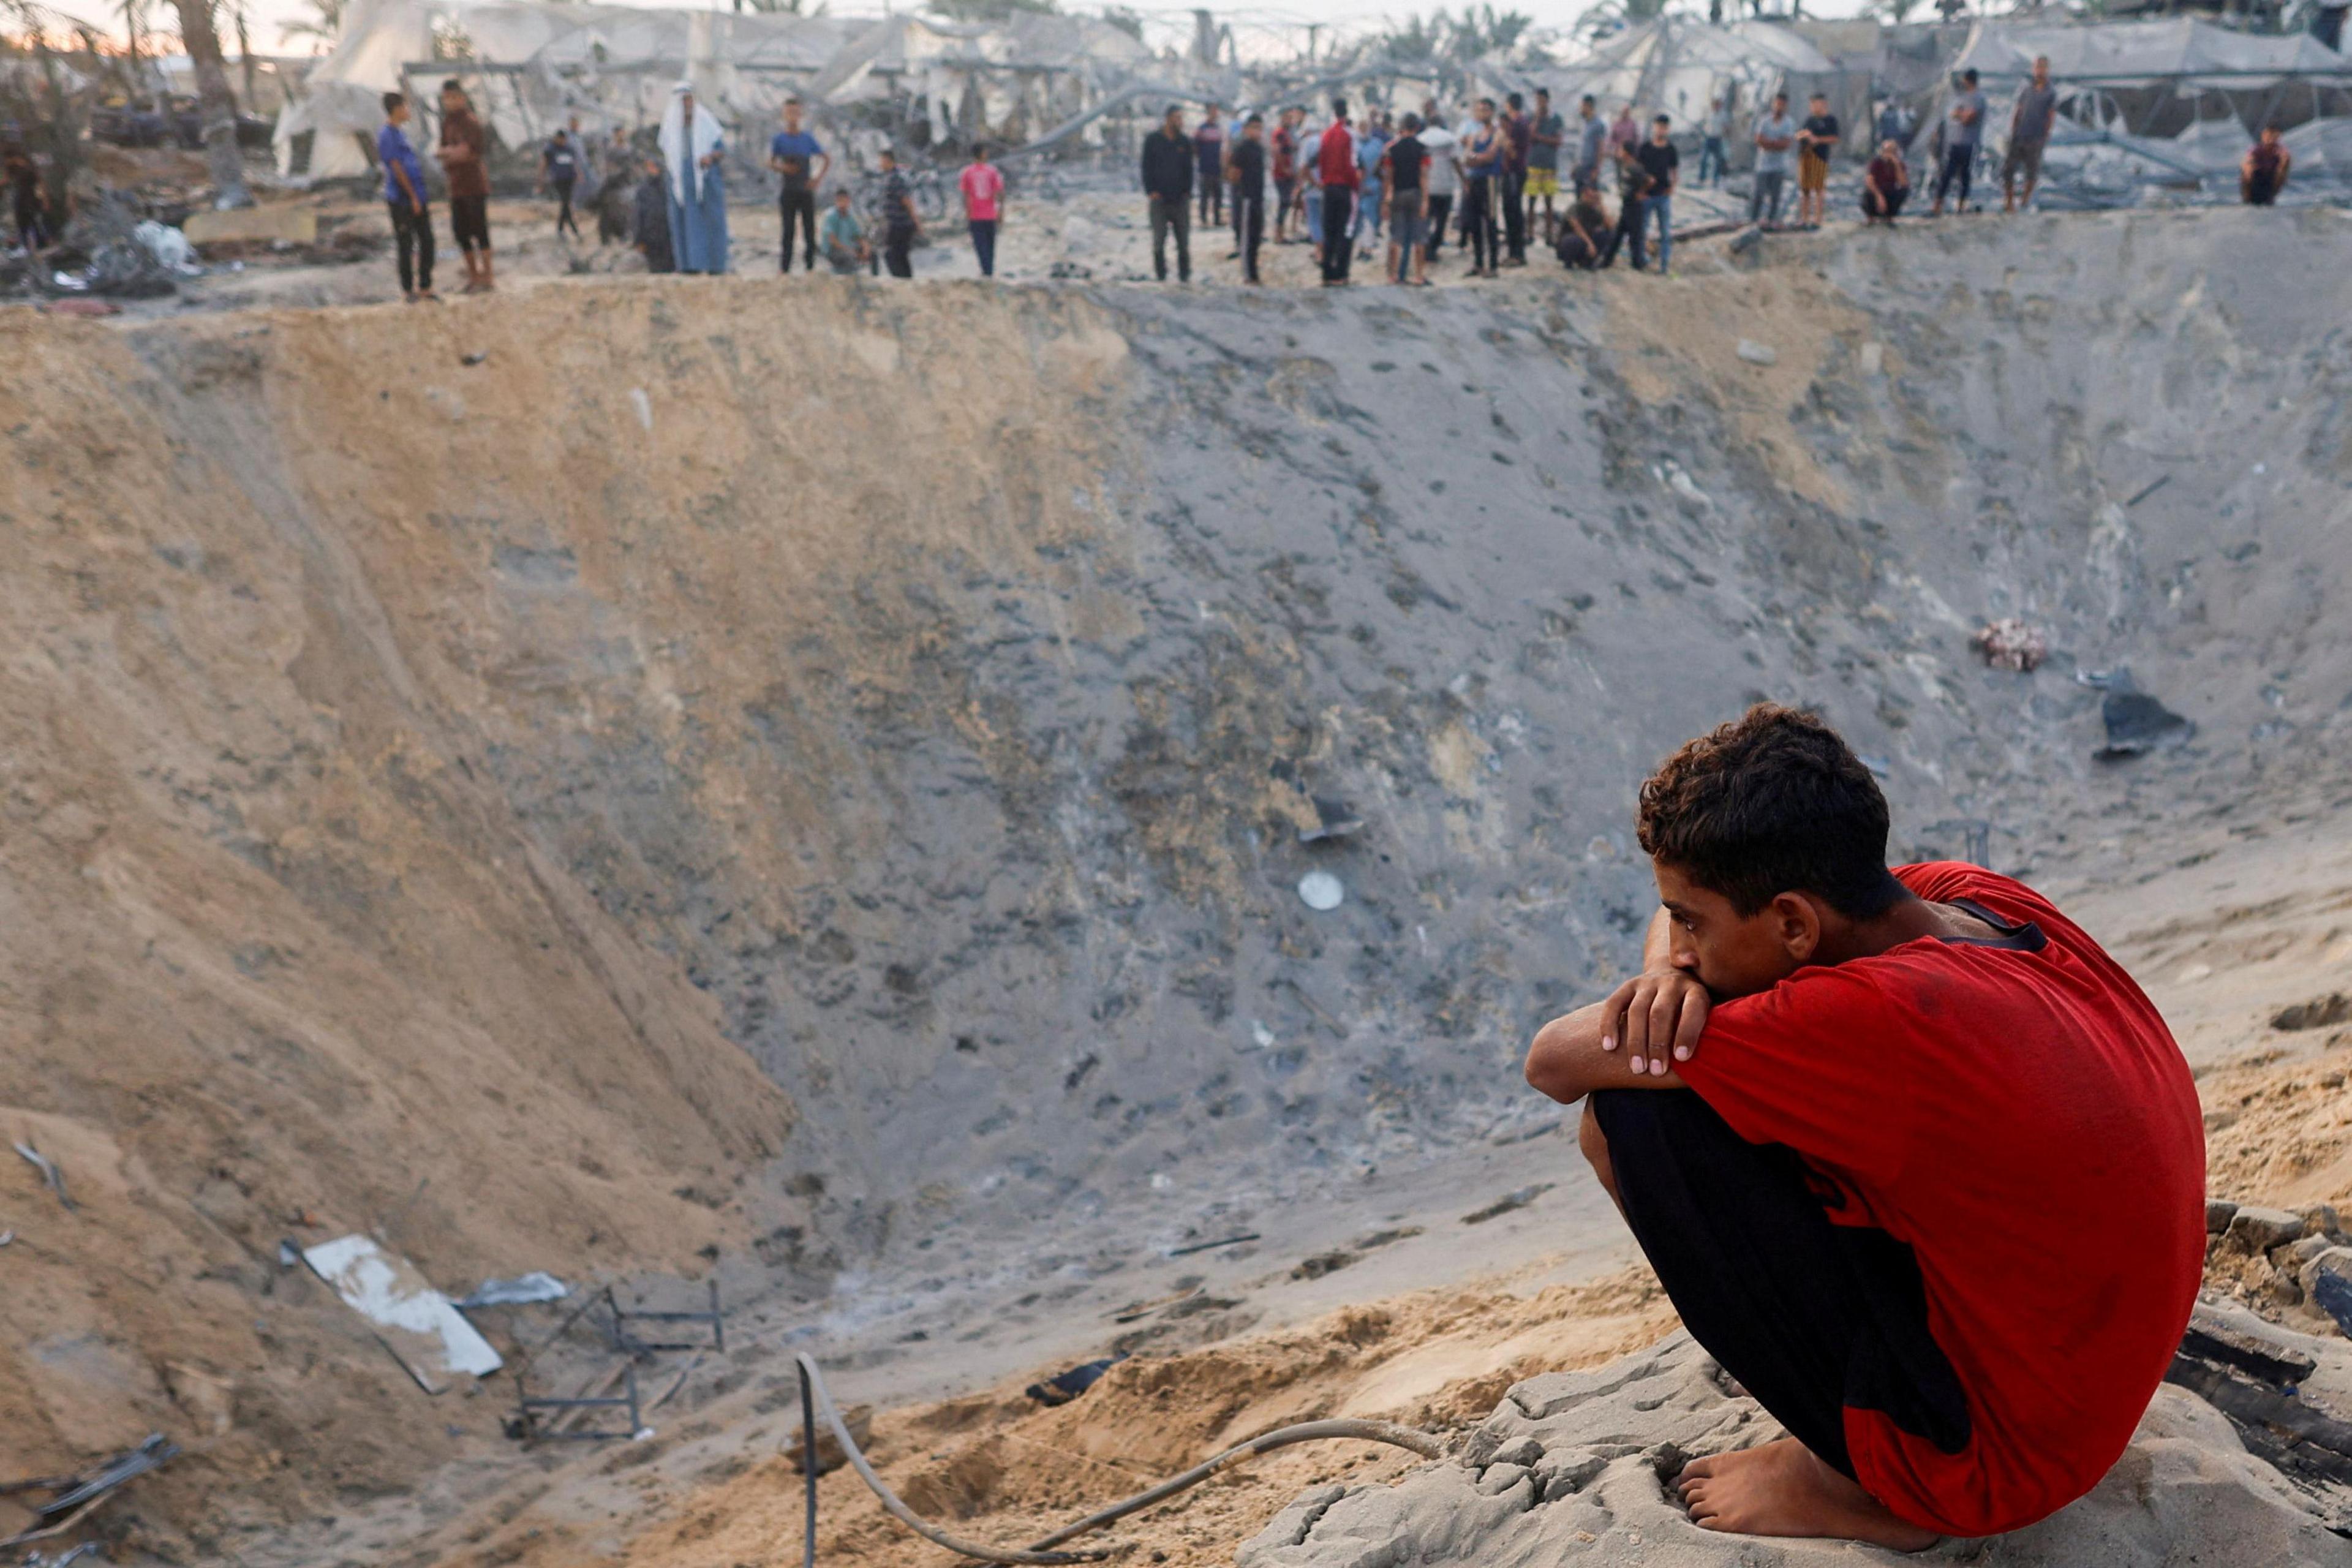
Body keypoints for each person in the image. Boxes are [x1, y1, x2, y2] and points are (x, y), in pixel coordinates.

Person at [1523, 704, 2202, 1551]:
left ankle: (1866, 1488)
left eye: (1695, 924)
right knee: (1691, 1066)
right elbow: (1689, 929)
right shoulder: (1971, 899)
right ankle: (1870, 1422)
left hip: (1993, 1464)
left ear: (1796, 924)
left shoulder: (1871, 1016)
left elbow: (1553, 1062)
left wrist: (1668, 992)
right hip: (2080, 1392)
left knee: (1634, 1111)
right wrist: (1673, 969)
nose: (1682, 944)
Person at [659, 83, 729, 274]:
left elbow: (721, 148)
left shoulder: (705, 120)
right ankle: (689, 265)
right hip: (681, 179)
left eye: (690, 99)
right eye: (684, 100)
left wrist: (710, 157)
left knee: (712, 220)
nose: (688, 104)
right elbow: (668, 152)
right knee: (684, 222)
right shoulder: (671, 125)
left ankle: (717, 265)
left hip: (705, 176)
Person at [377, 91, 435, 301]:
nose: (408, 111)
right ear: (397, 109)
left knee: (427, 240)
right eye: (405, 107)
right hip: (402, 199)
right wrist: (412, 197)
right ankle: (408, 290)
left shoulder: (401, 133)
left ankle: (425, 286)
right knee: (406, 244)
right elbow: (396, 168)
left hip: (416, 195)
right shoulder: (387, 135)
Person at [438, 78, 493, 292]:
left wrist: (451, 153)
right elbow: (443, 151)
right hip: (456, 186)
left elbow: (466, 152)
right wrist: (452, 153)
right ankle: (473, 275)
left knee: (480, 231)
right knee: (461, 233)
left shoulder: (470, 122)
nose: (449, 102)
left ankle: (488, 275)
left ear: (461, 97)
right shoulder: (447, 124)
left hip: (474, 185)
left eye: (453, 97)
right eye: (446, 99)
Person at [769, 97, 827, 273]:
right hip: (788, 189)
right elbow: (771, 163)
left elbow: (825, 158)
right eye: (789, 113)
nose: (792, 116)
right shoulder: (780, 139)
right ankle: (785, 268)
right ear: (784, 115)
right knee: (788, 230)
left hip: (805, 190)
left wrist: (817, 179)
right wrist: (784, 167)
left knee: (809, 230)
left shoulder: (807, 138)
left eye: (795, 112)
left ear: (800, 114)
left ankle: (810, 266)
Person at [1141, 104, 1194, 283]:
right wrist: (1151, 191)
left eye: (1182, 118)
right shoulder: (1153, 140)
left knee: (1183, 242)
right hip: (1160, 200)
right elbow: (1146, 167)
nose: (1180, 121)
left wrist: (1188, 191)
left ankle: (1184, 276)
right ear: (1169, 118)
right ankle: (1161, 276)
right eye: (1177, 118)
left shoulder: (1184, 142)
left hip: (1180, 200)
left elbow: (1189, 169)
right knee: (1159, 240)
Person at [2002, 56, 2056, 213]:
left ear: (2047, 69)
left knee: (2031, 171)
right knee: (2009, 169)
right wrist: (2014, 128)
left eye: (2042, 67)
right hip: (2020, 134)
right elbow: (2019, 110)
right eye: (2037, 67)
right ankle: (2009, 201)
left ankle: (2025, 200)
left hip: (2036, 137)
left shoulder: (2050, 92)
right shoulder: (2026, 89)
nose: (2039, 71)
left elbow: (2051, 115)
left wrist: (2045, 135)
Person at [1382, 113, 1430, 284]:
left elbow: (1388, 178)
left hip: (1397, 194)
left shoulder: (1391, 149)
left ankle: (1392, 274)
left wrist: (1386, 200)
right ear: (1417, 128)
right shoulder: (1423, 148)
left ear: (1401, 128)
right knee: (1419, 237)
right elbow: (1424, 176)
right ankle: (1418, 275)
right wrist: (1425, 201)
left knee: (1396, 237)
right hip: (1416, 193)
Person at [1316, 98, 1360, 285]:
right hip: (1345, 187)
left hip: (1329, 187)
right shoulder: (1349, 135)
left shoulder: (1326, 135)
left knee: (1329, 231)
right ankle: (1342, 273)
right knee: (1345, 232)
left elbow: (1321, 162)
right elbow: (1352, 165)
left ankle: (1327, 273)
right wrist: (1355, 186)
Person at [1932, 68, 1985, 216]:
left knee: (1965, 176)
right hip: (1955, 142)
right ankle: (1938, 205)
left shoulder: (1978, 98)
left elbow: (1968, 118)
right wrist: (1960, 114)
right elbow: (1954, 114)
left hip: (1969, 143)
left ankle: (1961, 206)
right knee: (1946, 174)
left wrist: (1960, 115)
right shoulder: (1963, 97)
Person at [1460, 97, 1502, 279]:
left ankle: (1492, 265)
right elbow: (1466, 159)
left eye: (1485, 110)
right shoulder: (1476, 135)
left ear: (1492, 112)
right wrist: (1477, 158)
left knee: (1491, 221)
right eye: (1479, 110)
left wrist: (1474, 158)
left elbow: (1490, 157)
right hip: (1475, 180)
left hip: (1490, 180)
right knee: (1474, 222)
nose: (1482, 113)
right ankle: (1478, 263)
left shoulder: (1498, 133)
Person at [1630, 113, 1678, 273]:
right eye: (1658, 126)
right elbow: (1637, 170)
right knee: (1642, 230)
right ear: (1654, 127)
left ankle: (1664, 265)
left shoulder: (1671, 149)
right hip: (1647, 196)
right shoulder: (1645, 148)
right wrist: (1639, 190)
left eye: (1664, 127)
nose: (1661, 130)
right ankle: (1642, 261)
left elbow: (1674, 171)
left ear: (1667, 129)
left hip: (1663, 197)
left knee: (1665, 232)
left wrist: (1673, 187)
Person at [1228, 112, 1268, 284]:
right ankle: (1248, 274)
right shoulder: (1241, 148)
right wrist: (1242, 191)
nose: (1257, 132)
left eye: (1260, 128)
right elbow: (1233, 174)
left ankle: (1254, 272)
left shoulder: (1259, 148)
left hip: (1258, 197)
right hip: (1246, 198)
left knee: (1256, 236)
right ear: (1246, 129)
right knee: (1246, 237)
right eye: (1254, 128)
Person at [1418, 103, 1458, 268]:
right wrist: (1464, 180)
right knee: (1442, 221)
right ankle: (1434, 247)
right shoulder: (1450, 138)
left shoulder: (1420, 140)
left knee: (1426, 220)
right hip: (1446, 186)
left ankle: (1427, 248)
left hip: (1427, 187)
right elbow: (1456, 161)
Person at [1750, 90, 1795, 227]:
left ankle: (1771, 221)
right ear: (1773, 104)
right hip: (1763, 165)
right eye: (1777, 104)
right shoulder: (1765, 121)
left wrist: (1769, 143)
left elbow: (1786, 144)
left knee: (1775, 196)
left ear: (1786, 106)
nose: (1779, 107)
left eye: (1782, 105)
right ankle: (1753, 220)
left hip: (1779, 166)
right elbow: (1758, 139)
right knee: (1759, 194)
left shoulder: (1789, 123)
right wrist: (1775, 143)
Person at [959, 143, 1005, 276]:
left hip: (976, 215)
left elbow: (966, 195)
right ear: (982, 153)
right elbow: (1000, 193)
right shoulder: (992, 171)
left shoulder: (967, 172)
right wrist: (1001, 212)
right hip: (989, 215)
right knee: (990, 246)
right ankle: (988, 271)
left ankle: (986, 271)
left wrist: (967, 214)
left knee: (981, 246)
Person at [1526, 87, 1564, 244]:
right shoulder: (1532, 117)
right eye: (1537, 100)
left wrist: (1540, 138)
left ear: (1547, 100)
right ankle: (1530, 234)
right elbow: (1530, 136)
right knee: (1531, 200)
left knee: (1549, 201)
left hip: (1549, 165)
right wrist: (1537, 118)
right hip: (1534, 163)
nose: (1540, 103)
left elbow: (1558, 142)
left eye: (1542, 100)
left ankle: (1549, 235)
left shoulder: (1556, 119)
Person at [873, 148, 919, 277]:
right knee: (900, 256)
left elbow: (906, 200)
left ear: (887, 161)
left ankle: (903, 282)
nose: (880, 164)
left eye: (881, 161)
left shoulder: (896, 178)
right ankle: (907, 282)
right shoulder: (888, 177)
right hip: (895, 224)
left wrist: (916, 222)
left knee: (892, 255)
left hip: (899, 224)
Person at [1500, 91, 1531, 265]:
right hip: (1515, 171)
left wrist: (1503, 141)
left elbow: (1512, 152)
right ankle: (1515, 252)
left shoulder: (1517, 124)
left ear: (1509, 105)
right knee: (1513, 211)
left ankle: (1516, 254)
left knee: (1512, 212)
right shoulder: (1522, 122)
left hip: (1513, 171)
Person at [631, 154, 674, 273]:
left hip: (668, 238)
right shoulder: (643, 190)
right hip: (651, 240)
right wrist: (638, 240)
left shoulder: (669, 186)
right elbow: (638, 217)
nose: (651, 170)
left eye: (653, 166)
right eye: (649, 167)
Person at [1555, 178, 1608, 269]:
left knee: (1605, 234)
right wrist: (1590, 244)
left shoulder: (1595, 210)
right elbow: (1577, 227)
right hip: (1570, 245)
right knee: (1572, 240)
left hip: (1585, 245)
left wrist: (1601, 205)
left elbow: (1610, 226)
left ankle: (1587, 262)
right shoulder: (1574, 207)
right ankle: (1569, 263)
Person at [7, 144, 50, 252]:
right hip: (20, 199)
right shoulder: (13, 169)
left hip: (31, 199)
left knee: (36, 224)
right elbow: (7, 180)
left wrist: (45, 199)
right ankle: (28, 248)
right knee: (23, 226)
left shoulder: (30, 167)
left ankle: (43, 246)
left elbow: (40, 183)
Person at [1354, 111, 1388, 244]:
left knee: (1370, 218)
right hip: (1355, 187)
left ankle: (1366, 247)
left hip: (1372, 187)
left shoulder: (1378, 144)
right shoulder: (1352, 144)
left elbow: (1382, 167)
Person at [542, 129, 582, 240]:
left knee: (565, 205)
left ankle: (561, 230)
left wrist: (578, 174)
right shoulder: (550, 149)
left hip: (570, 179)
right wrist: (541, 180)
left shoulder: (569, 149)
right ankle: (574, 230)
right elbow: (543, 165)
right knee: (565, 203)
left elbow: (574, 163)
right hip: (558, 180)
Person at [819, 187, 867, 274]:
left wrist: (865, 248)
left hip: (847, 247)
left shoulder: (850, 216)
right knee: (849, 257)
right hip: (833, 250)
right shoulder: (831, 216)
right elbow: (833, 240)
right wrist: (851, 251)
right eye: (840, 200)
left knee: (873, 254)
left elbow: (857, 235)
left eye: (845, 200)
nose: (843, 203)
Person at [2242, 122, 2293, 205]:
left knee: (2286, 162)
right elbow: (2248, 160)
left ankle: (2271, 196)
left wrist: (2283, 162)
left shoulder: (2279, 151)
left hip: (2270, 179)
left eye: (2274, 137)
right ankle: (2247, 199)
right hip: (2256, 178)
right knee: (2247, 167)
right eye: (2269, 137)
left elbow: (2286, 158)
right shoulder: (2257, 150)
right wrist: (2250, 168)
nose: (2271, 140)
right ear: (2263, 136)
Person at [1860, 137, 1908, 223]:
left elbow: (1903, 183)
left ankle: (1890, 216)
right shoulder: (1876, 163)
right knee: (1868, 193)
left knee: (1903, 191)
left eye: (1892, 151)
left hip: (1890, 191)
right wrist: (1879, 196)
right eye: (1887, 151)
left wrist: (1897, 165)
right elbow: (1869, 181)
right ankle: (1871, 216)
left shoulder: (1899, 165)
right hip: (1877, 191)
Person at [1272, 107, 1302, 243]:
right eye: (1287, 118)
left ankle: (1281, 233)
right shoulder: (1280, 133)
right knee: (1284, 202)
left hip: (1287, 173)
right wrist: (1284, 168)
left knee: (1287, 202)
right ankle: (1278, 235)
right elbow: (1277, 151)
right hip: (1282, 174)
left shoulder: (1288, 134)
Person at [1194, 105, 1226, 226]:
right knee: (1205, 194)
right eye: (1213, 111)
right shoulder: (1202, 129)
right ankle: (1203, 219)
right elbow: (1196, 147)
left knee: (1218, 194)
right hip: (1205, 167)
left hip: (1217, 167)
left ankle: (1217, 219)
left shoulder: (1218, 129)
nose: (1215, 114)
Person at [1697, 92, 1730, 187]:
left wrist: (1725, 137)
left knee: (1717, 161)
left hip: (1718, 139)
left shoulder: (1724, 115)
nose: (1716, 105)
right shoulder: (1708, 113)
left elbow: (1726, 127)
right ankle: (1702, 178)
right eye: (1715, 103)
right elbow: (1704, 124)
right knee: (1704, 159)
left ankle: (1716, 180)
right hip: (1708, 138)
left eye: (1718, 104)